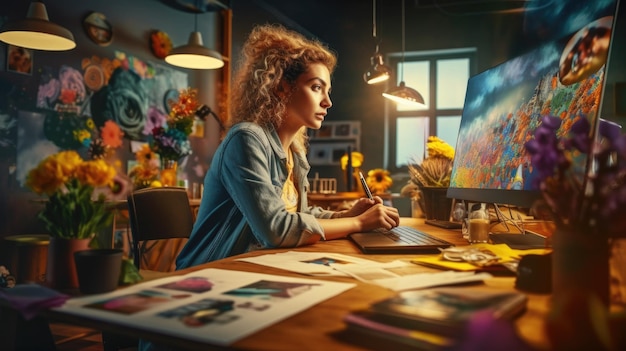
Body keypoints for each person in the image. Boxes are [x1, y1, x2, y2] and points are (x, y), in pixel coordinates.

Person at [175, 23, 400, 269]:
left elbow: (297, 216)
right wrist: (359, 224)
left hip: (255, 269)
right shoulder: (246, 139)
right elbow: (276, 229)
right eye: (316, 88)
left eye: (327, 90)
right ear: (282, 87)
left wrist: (347, 215)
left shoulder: (295, 151)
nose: (328, 102)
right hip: (209, 272)